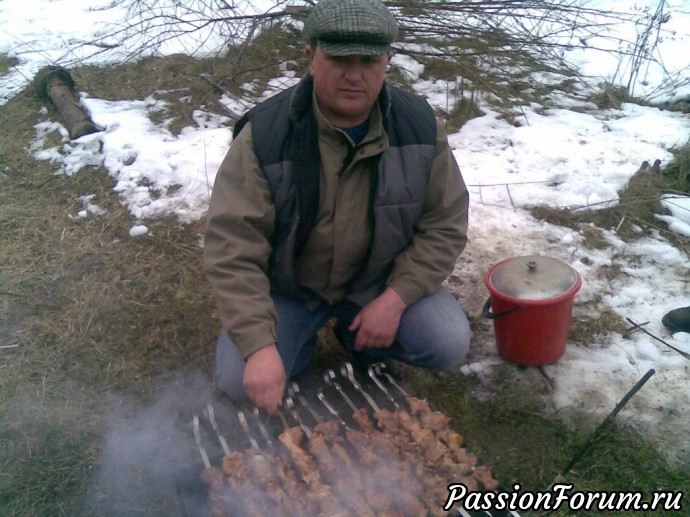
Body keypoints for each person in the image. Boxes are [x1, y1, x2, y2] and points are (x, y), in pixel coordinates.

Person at [203, 0, 472, 413]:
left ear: (387, 61)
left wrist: (395, 298)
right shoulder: (265, 136)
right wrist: (258, 345)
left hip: (376, 283)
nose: (354, 75)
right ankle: (299, 342)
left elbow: (445, 223)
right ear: (311, 57)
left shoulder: (418, 126)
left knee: (446, 343)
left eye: (368, 61)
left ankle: (360, 332)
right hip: (292, 289)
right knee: (239, 379)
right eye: (340, 59)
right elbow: (233, 247)